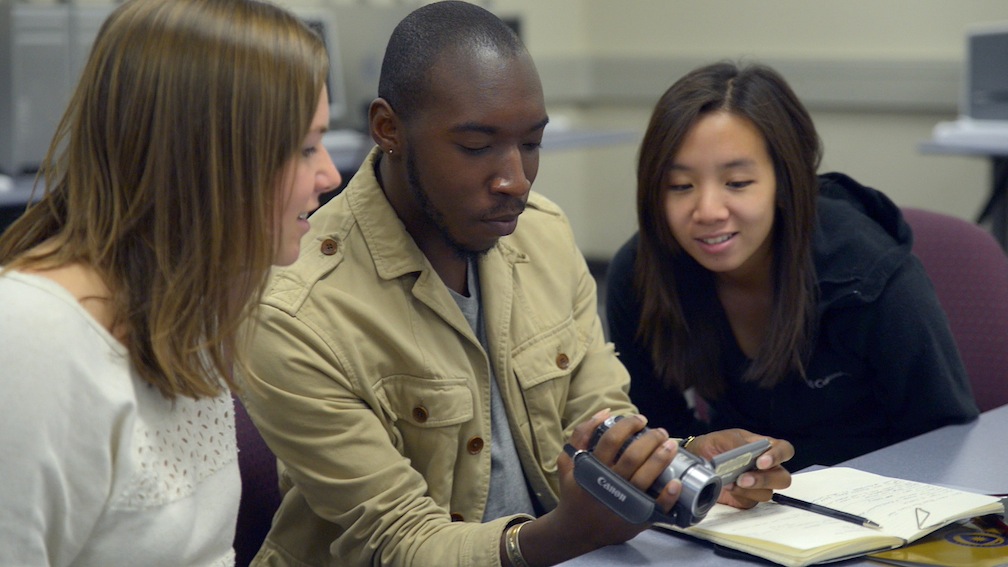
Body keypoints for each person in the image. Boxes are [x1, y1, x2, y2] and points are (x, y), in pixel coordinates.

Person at [238, 4, 794, 567]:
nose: (515, 180)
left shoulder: (542, 233)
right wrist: (570, 531)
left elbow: (600, 419)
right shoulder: (296, 309)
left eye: (531, 144)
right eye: (477, 147)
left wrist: (674, 464)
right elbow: (398, 543)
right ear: (388, 129)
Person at [0, 0, 340, 564]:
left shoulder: (185, 309)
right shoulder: (31, 339)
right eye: (305, 148)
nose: (329, 174)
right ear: (210, 160)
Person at [606, 61, 979, 473]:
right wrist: (696, 451)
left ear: (786, 182)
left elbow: (944, 443)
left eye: (737, 183)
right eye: (680, 187)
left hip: (882, 504)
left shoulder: (870, 276)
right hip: (732, 516)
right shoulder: (641, 273)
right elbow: (657, 430)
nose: (708, 211)